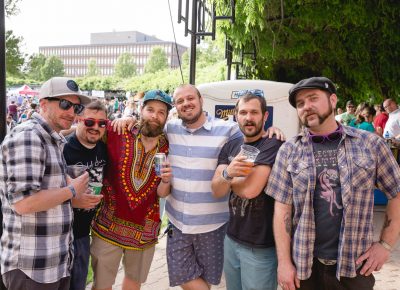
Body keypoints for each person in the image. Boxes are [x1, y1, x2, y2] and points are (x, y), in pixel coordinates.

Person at [114, 84, 284, 289]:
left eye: (190, 98)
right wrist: (128, 119)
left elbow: (253, 134)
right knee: (183, 277)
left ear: (201, 100)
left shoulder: (228, 130)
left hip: (213, 225)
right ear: (175, 107)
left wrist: (273, 131)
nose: (186, 103)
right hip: (178, 223)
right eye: (180, 101)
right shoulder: (170, 129)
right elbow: (148, 125)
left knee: (207, 280)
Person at [265, 76, 400, 290]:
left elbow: (396, 192)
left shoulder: (370, 144)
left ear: (333, 100)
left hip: (355, 267)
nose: (306, 106)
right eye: (300, 104)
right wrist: (284, 262)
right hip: (304, 268)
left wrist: (385, 245)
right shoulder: (289, 151)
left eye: (313, 98)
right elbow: (282, 208)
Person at [0, 77, 92, 290]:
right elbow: (24, 204)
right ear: (43, 104)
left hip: (53, 264)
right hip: (31, 268)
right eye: (64, 104)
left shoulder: (52, 139)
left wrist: (77, 199)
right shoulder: (30, 137)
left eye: (76, 106)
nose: (71, 112)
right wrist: (71, 190)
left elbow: (47, 198)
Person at [90, 90, 173, 290]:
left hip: (145, 230)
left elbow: (162, 193)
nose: (155, 115)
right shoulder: (117, 131)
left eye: (161, 112)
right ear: (140, 110)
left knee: (133, 283)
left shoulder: (170, 146)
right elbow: (86, 128)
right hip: (108, 226)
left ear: (166, 117)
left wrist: (167, 181)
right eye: (150, 109)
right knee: (101, 284)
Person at [211, 90, 283, 290]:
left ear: (265, 116)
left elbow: (251, 189)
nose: (248, 118)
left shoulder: (272, 144)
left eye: (254, 112)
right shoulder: (230, 145)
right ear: (236, 115)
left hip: (260, 245)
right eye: (243, 112)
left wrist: (227, 174)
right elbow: (216, 190)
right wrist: (227, 176)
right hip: (231, 239)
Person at [63, 100, 106, 290]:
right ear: (79, 120)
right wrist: (72, 200)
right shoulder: (63, 148)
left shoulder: (104, 149)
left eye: (101, 123)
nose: (95, 127)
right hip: (60, 235)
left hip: (83, 234)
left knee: (78, 285)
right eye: (90, 122)